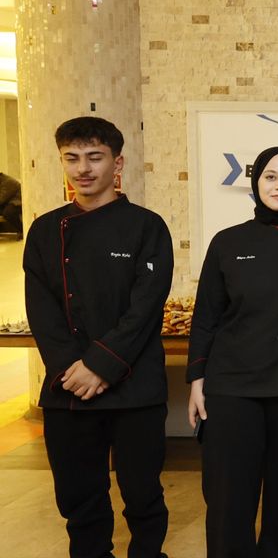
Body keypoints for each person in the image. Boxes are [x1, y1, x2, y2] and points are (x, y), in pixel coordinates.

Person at [23, 116, 174, 557]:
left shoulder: (147, 226)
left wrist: (100, 365)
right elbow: (42, 311)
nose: (83, 169)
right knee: (78, 497)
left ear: (117, 163)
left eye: (94, 157)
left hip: (135, 387)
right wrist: (73, 369)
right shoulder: (45, 230)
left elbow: (145, 309)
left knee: (143, 494)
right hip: (69, 387)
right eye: (71, 158)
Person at [186, 146, 278, 558]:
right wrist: (196, 380)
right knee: (228, 500)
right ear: (256, 182)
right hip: (232, 387)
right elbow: (206, 317)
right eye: (271, 176)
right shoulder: (228, 242)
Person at [0, 170, 21, 237]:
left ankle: (21, 229)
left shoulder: (7, 181)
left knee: (8, 212)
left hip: (17, 202)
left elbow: (2, 198)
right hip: (7, 202)